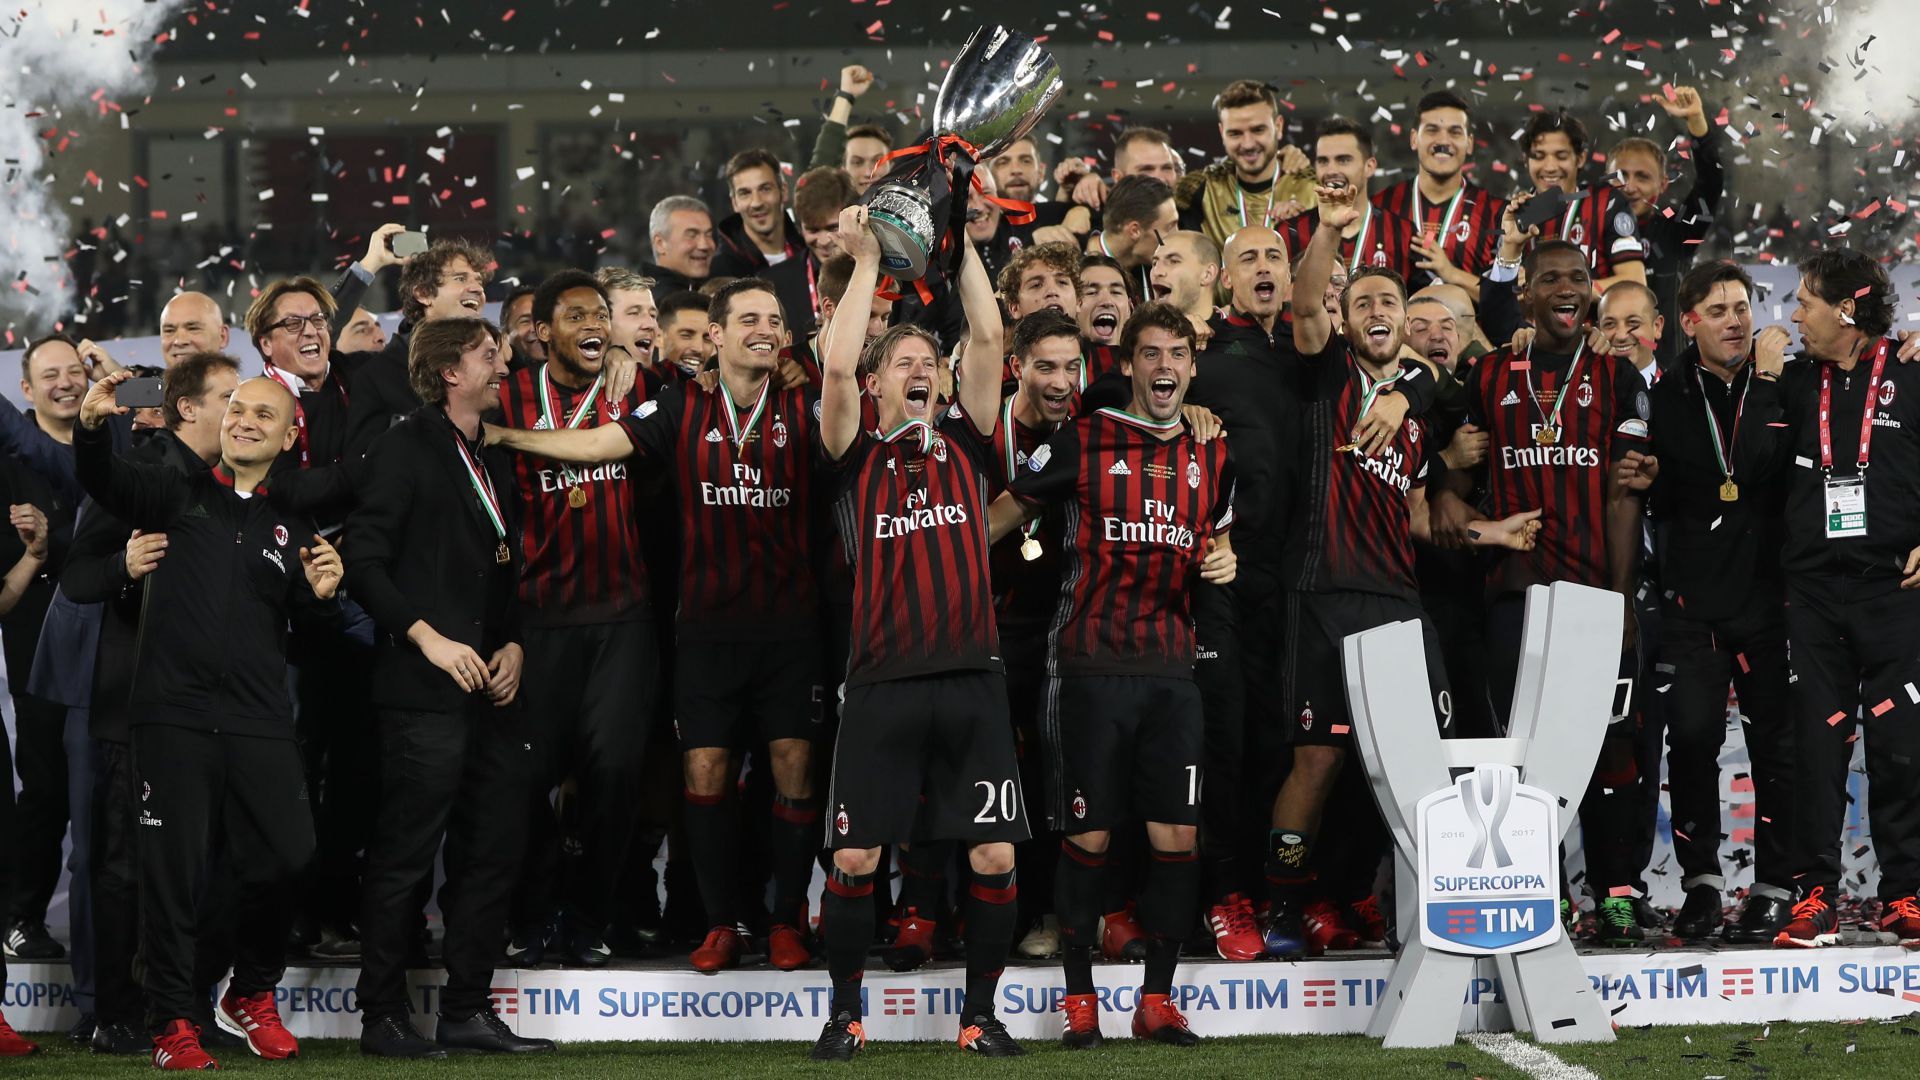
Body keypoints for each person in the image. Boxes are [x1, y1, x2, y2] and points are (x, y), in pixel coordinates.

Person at [491, 276, 824, 975]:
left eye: (775, 318)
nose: (763, 329)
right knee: (700, 773)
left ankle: (788, 921)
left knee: (791, 770)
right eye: (748, 318)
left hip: (790, 627)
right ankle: (719, 922)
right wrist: (504, 434)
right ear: (716, 335)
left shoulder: (806, 400)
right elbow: (603, 444)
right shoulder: (678, 400)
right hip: (700, 624)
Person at [1268, 182, 1540, 958]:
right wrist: (1326, 227)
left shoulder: (1417, 412)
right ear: (1350, 323)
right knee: (1316, 763)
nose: (1378, 310)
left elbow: (1419, 514)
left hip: (1398, 602)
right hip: (1321, 593)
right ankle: (1284, 904)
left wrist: (1491, 531)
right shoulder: (1326, 379)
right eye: (1366, 303)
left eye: (1389, 300)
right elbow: (1309, 300)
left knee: (1429, 766)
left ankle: (1439, 914)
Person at [74, 368, 343, 1071]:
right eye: (237, 408)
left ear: (289, 436)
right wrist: (92, 428)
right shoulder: (172, 488)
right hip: (172, 717)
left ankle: (250, 992)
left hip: (258, 719)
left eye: (264, 413)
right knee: (173, 877)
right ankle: (170, 1023)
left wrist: (321, 598)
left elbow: (311, 637)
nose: (245, 419)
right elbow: (106, 484)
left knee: (292, 855)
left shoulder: (294, 526)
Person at [808, 205, 1027, 1060]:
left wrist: (963, 244)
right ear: (879, 384)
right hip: (882, 682)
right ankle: (845, 1015)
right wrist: (865, 261)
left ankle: (980, 1016)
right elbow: (833, 371)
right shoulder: (853, 452)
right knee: (856, 861)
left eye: (928, 362)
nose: (922, 369)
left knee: (996, 859)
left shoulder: (968, 445)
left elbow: (989, 334)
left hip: (972, 677)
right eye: (903, 362)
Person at [989, 301, 1238, 1048]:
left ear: (1193, 367)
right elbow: (996, 518)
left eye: (1178, 355)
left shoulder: (1215, 453)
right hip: (1089, 667)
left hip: (1172, 670)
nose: (1165, 366)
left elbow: (1221, 545)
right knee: (1089, 838)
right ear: (1127, 365)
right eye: (1150, 353)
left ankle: (1156, 1001)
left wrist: (1229, 559)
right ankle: (1079, 1001)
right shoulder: (1083, 438)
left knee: (1175, 837)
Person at [348, 318, 552, 1058]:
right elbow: (363, 562)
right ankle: (381, 1017)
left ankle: (467, 1008)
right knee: (405, 853)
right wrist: (428, 638)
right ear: (447, 373)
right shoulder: (405, 445)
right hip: (420, 689)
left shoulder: (491, 455)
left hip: (493, 692)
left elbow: (507, 571)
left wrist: (515, 643)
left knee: (493, 849)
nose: (501, 362)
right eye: (485, 353)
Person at [1454, 235, 1652, 943]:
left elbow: (1628, 493)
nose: (1567, 288)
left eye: (1578, 277)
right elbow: (1448, 489)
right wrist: (1485, 524)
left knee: (1612, 747)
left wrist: (1622, 599)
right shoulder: (1486, 375)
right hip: (1515, 596)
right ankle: (1540, 891)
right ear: (1527, 295)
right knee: (1520, 752)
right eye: (1550, 279)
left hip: (1595, 596)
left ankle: (1617, 890)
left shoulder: (1619, 375)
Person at [1734, 250, 1920, 949]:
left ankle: (1906, 893)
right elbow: (1753, 468)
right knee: (1815, 747)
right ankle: (1815, 897)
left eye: (1807, 301)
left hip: (1895, 594)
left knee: (1902, 747)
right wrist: (1763, 381)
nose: (1795, 314)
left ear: (1847, 310)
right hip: (1811, 595)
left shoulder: (1910, 370)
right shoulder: (1792, 380)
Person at [59, 354, 241, 1055]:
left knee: (215, 864)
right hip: (135, 705)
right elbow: (76, 576)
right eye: (231, 396)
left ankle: (186, 1005)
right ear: (186, 407)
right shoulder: (141, 471)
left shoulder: (238, 480)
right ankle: (116, 1011)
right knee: (125, 866)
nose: (243, 412)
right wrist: (123, 569)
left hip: (216, 706)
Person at [1610, 261, 1794, 944]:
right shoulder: (1663, 399)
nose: (1736, 320)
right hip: (1691, 606)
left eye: (1742, 307)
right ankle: (1702, 886)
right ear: (1688, 322)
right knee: (1691, 744)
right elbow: (1645, 487)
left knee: (1776, 749)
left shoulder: (1781, 384)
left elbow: (1748, 464)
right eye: (1718, 310)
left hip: (1769, 601)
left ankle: (1775, 886)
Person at [0, 335, 85, 964]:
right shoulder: (9, 461)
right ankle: (22, 916)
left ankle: (108, 924)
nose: (66, 382)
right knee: (46, 789)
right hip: (36, 651)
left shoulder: (118, 447)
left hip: (115, 649)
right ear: (26, 391)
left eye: (75, 370)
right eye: (49, 374)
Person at [342, 237, 493, 458]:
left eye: (479, 281)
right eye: (460, 278)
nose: (477, 288)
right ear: (423, 294)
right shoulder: (378, 375)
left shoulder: (498, 363)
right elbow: (364, 463)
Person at [1608, 85, 1721, 364]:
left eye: (1642, 177)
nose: (1629, 186)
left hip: (1670, 379)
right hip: (1602, 378)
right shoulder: (1588, 231)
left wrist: (1697, 123)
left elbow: (1711, 183)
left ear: (1662, 185)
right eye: (1620, 176)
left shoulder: (1677, 230)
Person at [1371, 89, 1506, 297]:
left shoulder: (1498, 213)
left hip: (1472, 329)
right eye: (1432, 130)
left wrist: (1451, 273)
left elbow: (1508, 300)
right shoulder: (1380, 207)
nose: (1443, 141)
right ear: (1414, 139)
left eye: (1455, 132)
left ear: (1469, 143)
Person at [1279, 117, 1418, 286]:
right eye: (1323, 161)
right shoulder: (1290, 232)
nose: (1331, 170)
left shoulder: (1403, 233)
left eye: (1343, 160)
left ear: (1370, 166)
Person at [1178, 80, 1316, 248]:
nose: (1248, 144)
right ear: (1222, 133)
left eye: (1258, 130)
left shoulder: (1313, 190)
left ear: (1278, 127)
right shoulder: (1200, 191)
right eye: (1235, 133)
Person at [1520, 109, 1646, 291]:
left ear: (1580, 158)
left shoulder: (1606, 203)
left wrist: (1558, 289)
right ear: (1526, 161)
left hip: (1593, 319)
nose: (1550, 167)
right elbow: (1499, 292)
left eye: (1561, 156)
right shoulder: (1515, 211)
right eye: (1539, 156)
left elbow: (1635, 282)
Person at [711, 149, 816, 338]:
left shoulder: (810, 249)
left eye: (765, 189)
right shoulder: (722, 268)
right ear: (734, 203)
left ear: (783, 191)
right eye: (745, 193)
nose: (756, 202)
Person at [1090, 175, 1179, 299]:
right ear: (1135, 231)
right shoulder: (1073, 274)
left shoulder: (1156, 270)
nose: (1177, 236)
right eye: (1169, 228)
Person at [1148, 230, 1222, 337]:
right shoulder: (1139, 338)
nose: (1156, 272)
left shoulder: (1241, 337)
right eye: (1154, 263)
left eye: (1174, 261)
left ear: (1207, 274)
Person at [642, 195, 717, 293]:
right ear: (660, 244)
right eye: (692, 235)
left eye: (709, 235)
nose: (704, 245)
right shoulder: (653, 304)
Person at [597, 266, 661, 377]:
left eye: (653, 315)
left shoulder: (669, 384)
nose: (650, 324)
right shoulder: (573, 388)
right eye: (634, 313)